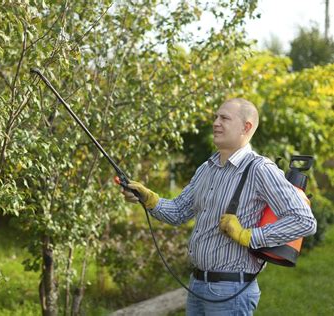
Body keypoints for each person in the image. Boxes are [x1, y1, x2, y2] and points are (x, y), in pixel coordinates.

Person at [122, 98, 316, 315]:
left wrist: (248, 236)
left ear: (246, 127)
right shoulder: (207, 168)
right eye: (215, 117)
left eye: (224, 118)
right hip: (197, 285)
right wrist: (148, 199)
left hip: (231, 291)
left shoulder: (260, 169)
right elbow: (178, 212)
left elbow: (304, 220)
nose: (215, 122)